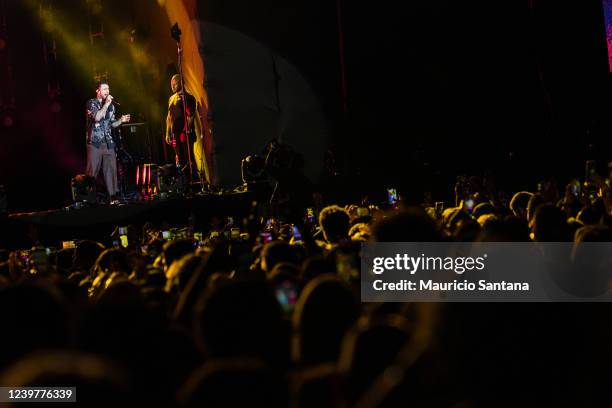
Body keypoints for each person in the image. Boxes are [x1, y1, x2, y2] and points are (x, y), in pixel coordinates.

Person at [85, 81, 130, 204]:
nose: (107, 91)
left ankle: (113, 197)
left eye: (108, 89)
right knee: (92, 172)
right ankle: (88, 199)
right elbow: (97, 117)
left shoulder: (111, 106)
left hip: (108, 142)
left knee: (111, 170)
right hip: (95, 142)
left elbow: (111, 124)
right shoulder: (91, 103)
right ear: (98, 91)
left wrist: (121, 120)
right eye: (104, 89)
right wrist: (106, 104)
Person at [165, 74, 210, 185]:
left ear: (181, 82)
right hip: (175, 134)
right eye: (171, 84)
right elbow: (169, 117)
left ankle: (193, 181)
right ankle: (183, 182)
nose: (172, 86)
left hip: (185, 134)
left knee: (188, 158)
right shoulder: (171, 99)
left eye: (175, 83)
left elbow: (191, 116)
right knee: (179, 159)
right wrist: (167, 133)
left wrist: (185, 131)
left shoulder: (188, 98)